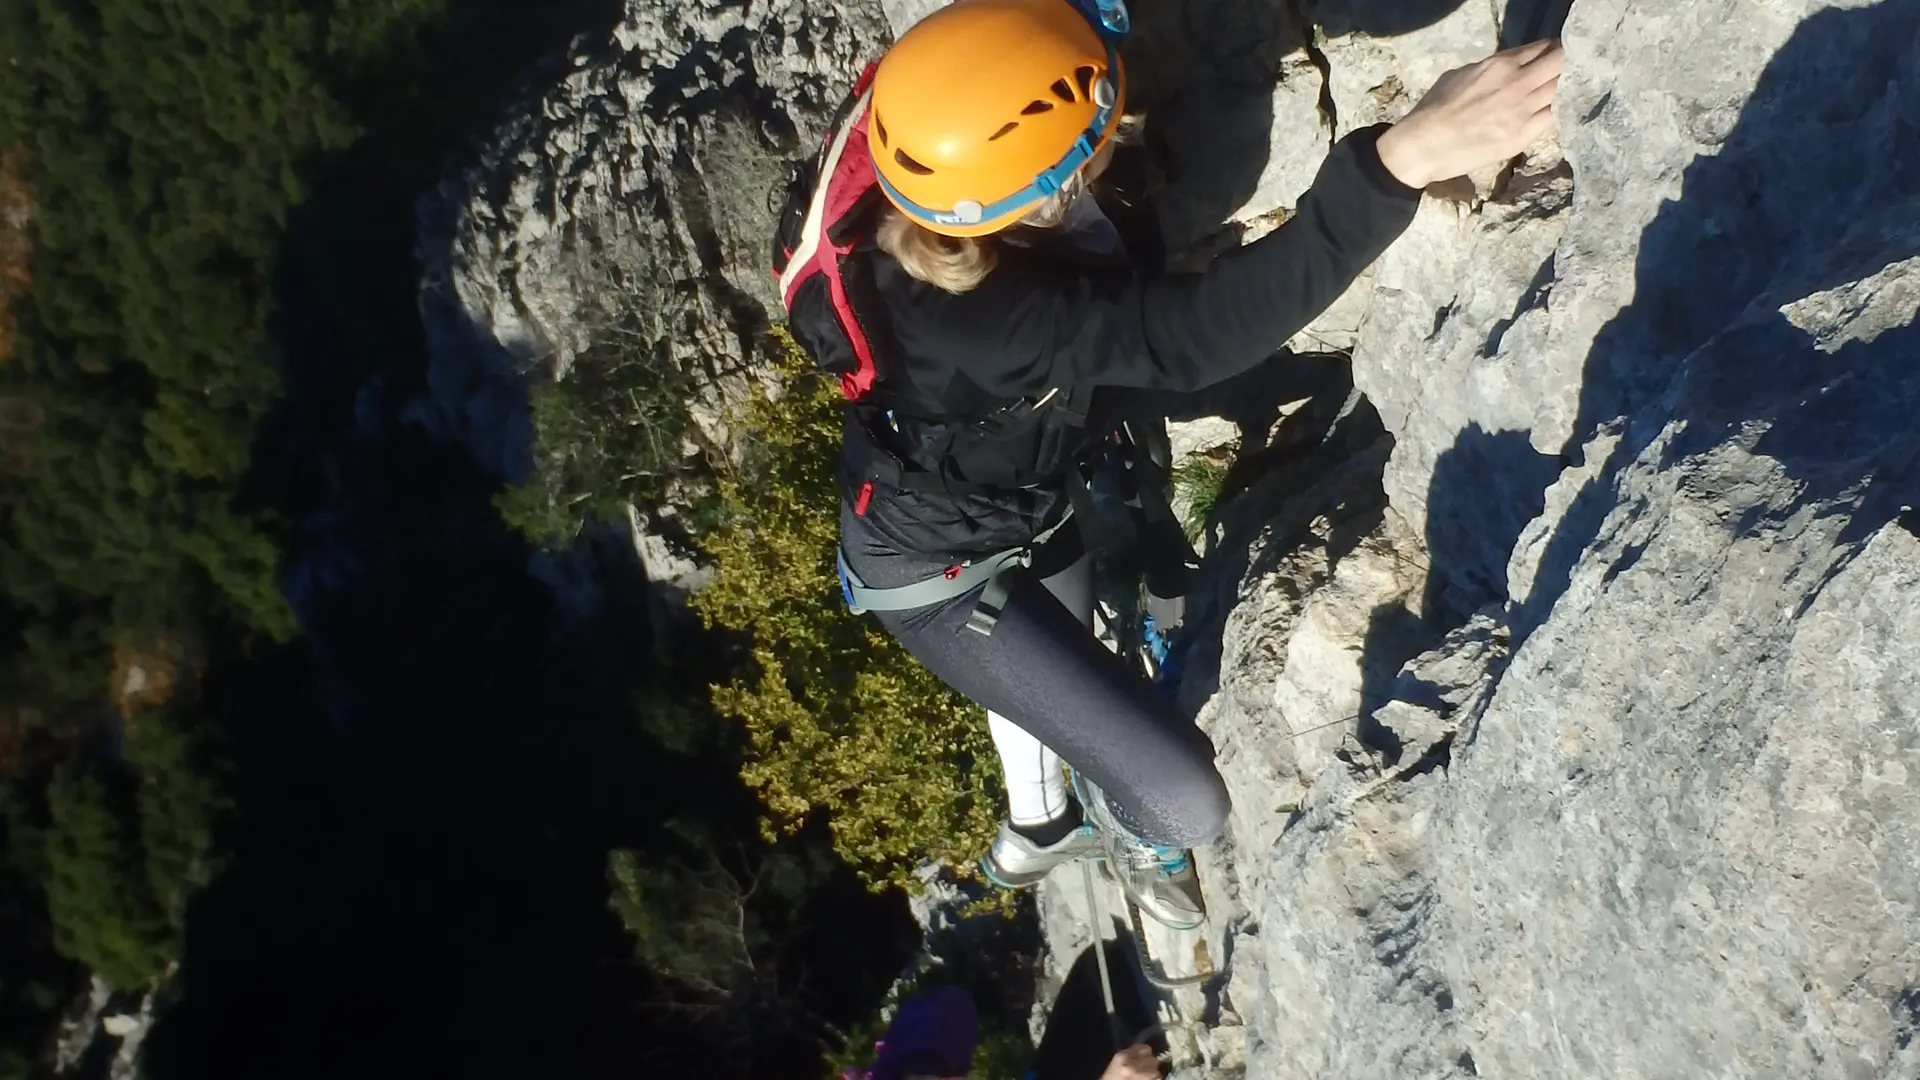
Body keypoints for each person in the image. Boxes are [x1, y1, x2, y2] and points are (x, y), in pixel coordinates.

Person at [833, 0, 1564, 925]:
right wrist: (1403, 159)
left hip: (1018, 488)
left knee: (1060, 673)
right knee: (1184, 800)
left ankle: (1041, 817)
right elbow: (1190, 339)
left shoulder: (943, 146)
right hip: (935, 571)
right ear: (1049, 181)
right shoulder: (988, 318)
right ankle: (1115, 819)